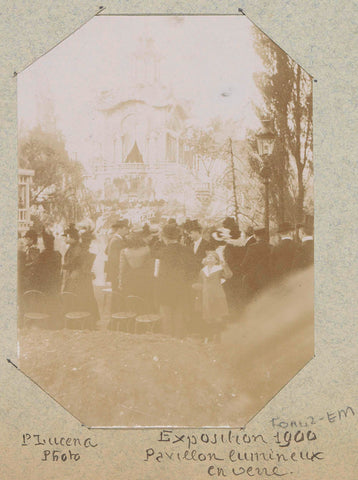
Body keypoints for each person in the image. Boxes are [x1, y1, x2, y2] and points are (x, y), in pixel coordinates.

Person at [156, 223, 195, 338]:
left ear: (164, 237)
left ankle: (169, 345)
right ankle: (180, 344)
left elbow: (159, 274)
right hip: (182, 289)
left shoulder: (162, 253)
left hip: (166, 290)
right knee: (180, 318)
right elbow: (193, 270)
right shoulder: (187, 250)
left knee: (167, 320)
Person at [198, 251, 232, 343]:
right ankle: (209, 337)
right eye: (208, 256)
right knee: (208, 317)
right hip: (206, 296)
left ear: (216, 260)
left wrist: (225, 266)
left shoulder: (219, 269)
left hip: (217, 295)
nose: (210, 258)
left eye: (212, 257)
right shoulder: (203, 270)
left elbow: (228, 275)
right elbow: (200, 283)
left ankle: (218, 337)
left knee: (217, 316)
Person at [119, 231, 154, 312]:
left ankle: (132, 319)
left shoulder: (124, 251)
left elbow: (122, 268)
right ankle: (144, 318)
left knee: (132, 301)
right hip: (144, 277)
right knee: (144, 299)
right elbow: (149, 264)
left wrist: (120, 281)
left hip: (130, 278)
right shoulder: (147, 249)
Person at [241, 227, 272, 298]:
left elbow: (244, 263)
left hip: (255, 279)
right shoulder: (271, 247)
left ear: (255, 236)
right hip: (268, 278)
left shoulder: (252, 247)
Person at [105, 220, 129, 313]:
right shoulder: (116, 240)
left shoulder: (114, 239)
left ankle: (117, 315)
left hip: (114, 271)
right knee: (117, 294)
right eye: (126, 229)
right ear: (121, 229)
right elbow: (116, 260)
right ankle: (116, 317)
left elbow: (106, 251)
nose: (127, 231)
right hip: (116, 272)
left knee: (117, 294)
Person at [62, 224, 82, 294]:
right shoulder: (72, 246)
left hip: (74, 274)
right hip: (70, 273)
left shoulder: (77, 248)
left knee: (70, 293)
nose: (67, 239)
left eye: (68, 237)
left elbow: (73, 262)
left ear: (73, 238)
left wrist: (61, 266)